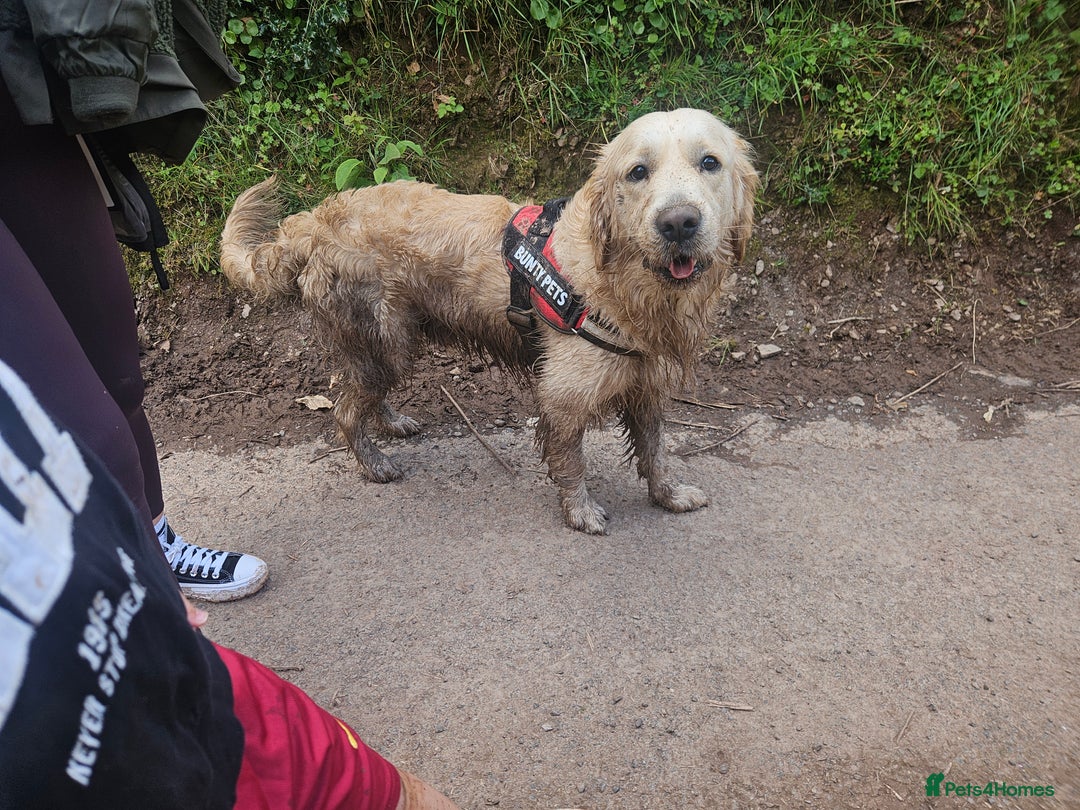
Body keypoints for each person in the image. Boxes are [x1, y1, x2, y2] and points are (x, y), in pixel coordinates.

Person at [0, 357, 461, 809]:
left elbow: (91, 427)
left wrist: (143, 568)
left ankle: (161, 552)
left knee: (389, 795)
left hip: (178, 674)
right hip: (68, 758)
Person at [0, 0, 267, 601]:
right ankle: (133, 594)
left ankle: (154, 546)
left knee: (116, 375)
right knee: (80, 419)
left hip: (19, 101)